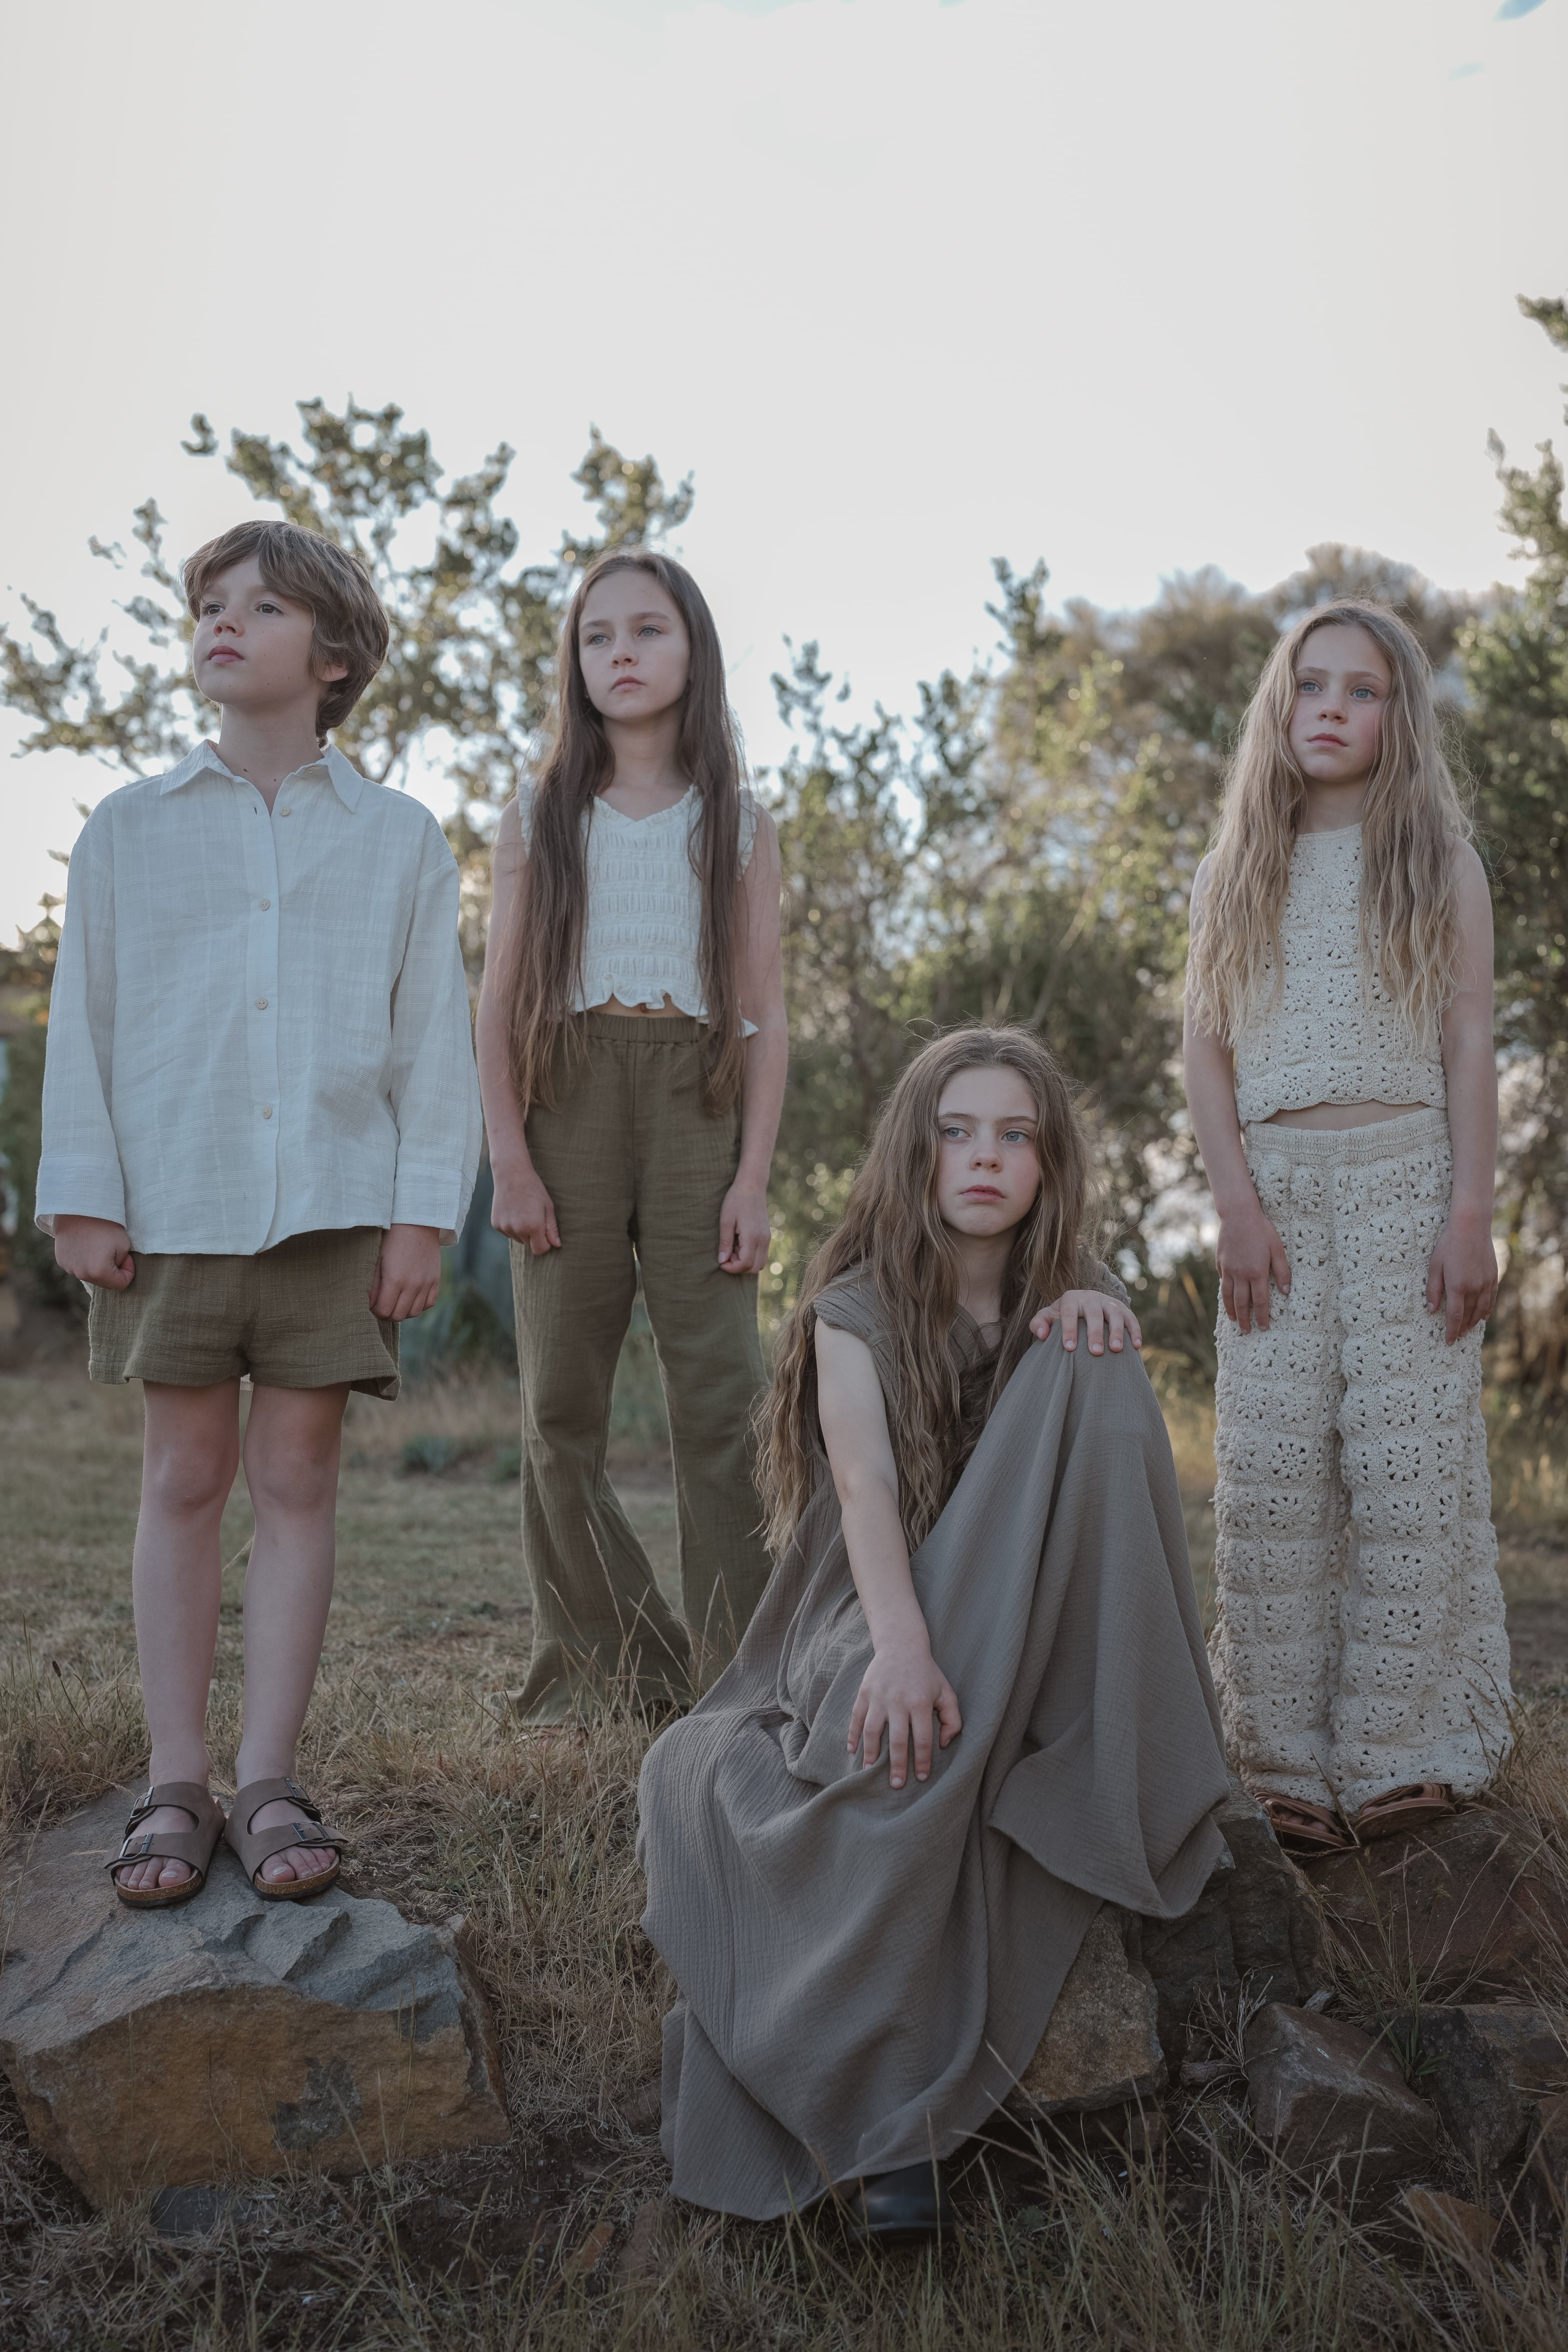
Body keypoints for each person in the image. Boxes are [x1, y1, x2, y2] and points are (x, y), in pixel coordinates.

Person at [636, 1027, 1230, 2237]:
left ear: (1049, 1163)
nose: (985, 1157)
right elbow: (862, 1489)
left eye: (1015, 1135)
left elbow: (1102, 1479)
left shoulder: (1073, 1301)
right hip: (871, 1600)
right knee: (898, 1746)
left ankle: (1113, 1740)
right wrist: (903, 1651)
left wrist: (1098, 1315)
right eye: (958, 1132)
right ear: (916, 1152)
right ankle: (875, 2116)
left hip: (1030, 1600)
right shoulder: (855, 1308)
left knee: (1099, 1356)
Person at [36, 519, 481, 1908]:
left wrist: (422, 1217)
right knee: (183, 1478)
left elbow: (434, 1041)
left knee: (297, 1481)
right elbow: (84, 1021)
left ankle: (269, 1774)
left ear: (334, 657)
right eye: (211, 603)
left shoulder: (400, 840)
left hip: (335, 1211)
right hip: (175, 1202)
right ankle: (176, 1777)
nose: (224, 621)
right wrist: (81, 1194)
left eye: (265, 605)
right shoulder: (129, 830)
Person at [1183, 599, 1511, 1858]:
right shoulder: (1235, 870)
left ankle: (1397, 1754)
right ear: (1279, 706)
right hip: (1274, 1199)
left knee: (1405, 1472)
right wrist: (1235, 1206)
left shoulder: (1440, 864)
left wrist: (1470, 1213)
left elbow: (1469, 1040)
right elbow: (1207, 1053)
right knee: (1273, 1478)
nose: (1331, 708)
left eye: (1361, 690)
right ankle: (1278, 1763)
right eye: (1311, 685)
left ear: (1398, 715)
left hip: (1407, 1183)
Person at [477, 550, 787, 1722]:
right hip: (567, 1098)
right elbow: (497, 1006)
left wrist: (752, 1179)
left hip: (698, 1101)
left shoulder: (741, 824)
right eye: (598, 635)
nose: (621, 652)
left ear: (693, 651)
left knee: (726, 1398)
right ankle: (612, 1667)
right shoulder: (537, 817)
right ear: (576, 662)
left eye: (649, 630)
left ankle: (743, 1675)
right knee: (560, 1407)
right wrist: (511, 1159)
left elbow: (764, 1014)